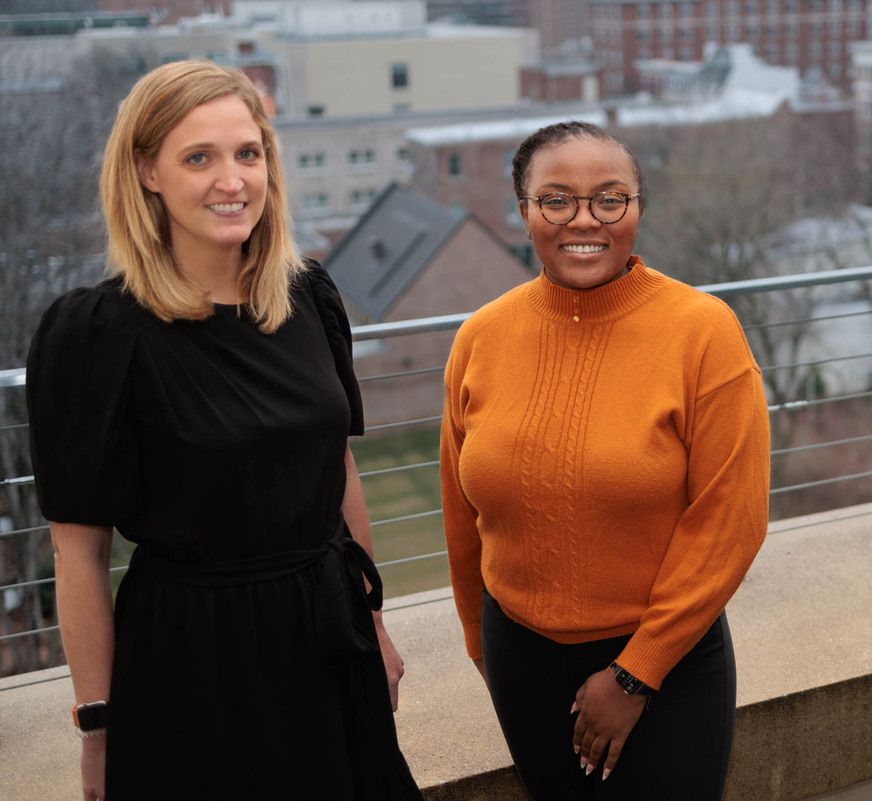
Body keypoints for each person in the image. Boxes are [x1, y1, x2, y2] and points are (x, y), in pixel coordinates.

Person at [26, 61, 423, 801]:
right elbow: (78, 553)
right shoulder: (97, 333)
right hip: (193, 660)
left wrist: (375, 626)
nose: (231, 179)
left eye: (248, 153)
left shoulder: (307, 297)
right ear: (147, 171)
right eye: (198, 157)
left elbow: (336, 469)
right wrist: (99, 727)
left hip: (329, 639)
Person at [439, 120, 770, 800]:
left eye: (610, 199)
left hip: (666, 660)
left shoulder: (702, 330)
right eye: (556, 199)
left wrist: (634, 673)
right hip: (518, 658)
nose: (583, 219)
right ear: (524, 210)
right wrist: (479, 641)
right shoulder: (480, 337)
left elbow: (729, 522)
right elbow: (459, 507)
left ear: (638, 209)